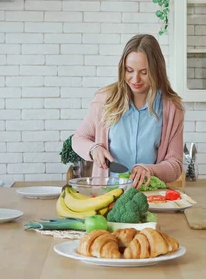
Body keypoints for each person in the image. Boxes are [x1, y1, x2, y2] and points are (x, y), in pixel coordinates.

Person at [72, 34, 184, 189]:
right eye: (129, 70)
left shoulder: (172, 108)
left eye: (144, 72)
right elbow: (78, 138)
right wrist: (94, 149)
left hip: (150, 195)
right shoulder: (104, 100)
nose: (135, 79)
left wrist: (149, 170)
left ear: (157, 70)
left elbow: (175, 164)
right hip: (107, 194)